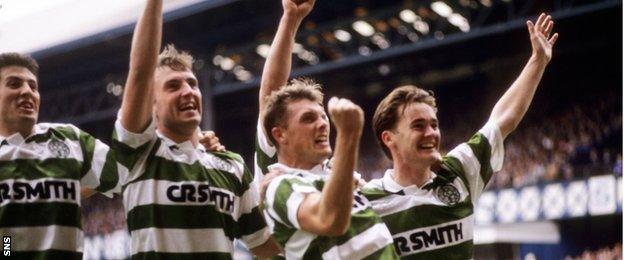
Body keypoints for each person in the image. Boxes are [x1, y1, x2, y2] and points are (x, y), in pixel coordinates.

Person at [362, 13, 559, 259]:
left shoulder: (459, 172)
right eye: (418, 125)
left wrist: (538, 60)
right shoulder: (367, 202)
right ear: (389, 138)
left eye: (434, 124)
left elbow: (502, 120)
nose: (431, 133)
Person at [112, 0, 279, 258]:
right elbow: (140, 72)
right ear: (152, 105)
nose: (188, 91)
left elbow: (265, 246)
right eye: (173, 86)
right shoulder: (140, 153)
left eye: (192, 83)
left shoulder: (232, 166)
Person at [256, 0, 399, 258]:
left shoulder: (335, 174)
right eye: (308, 118)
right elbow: (329, 219)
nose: (323, 123)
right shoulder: (279, 183)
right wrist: (348, 135)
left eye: (323, 116)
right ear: (280, 134)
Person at [0, 52, 121, 259]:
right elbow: (6, 238)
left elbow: (124, 171)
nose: (27, 91)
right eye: (14, 84)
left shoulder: (69, 138)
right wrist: (7, 252)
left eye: (33, 86)